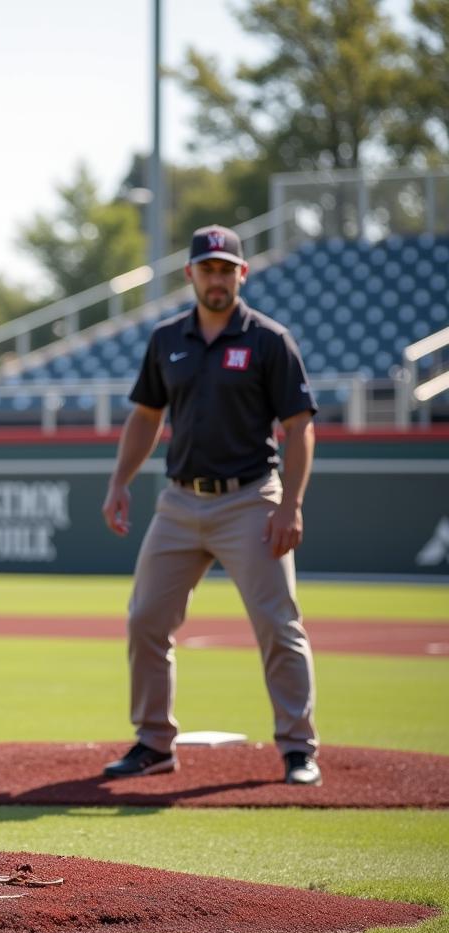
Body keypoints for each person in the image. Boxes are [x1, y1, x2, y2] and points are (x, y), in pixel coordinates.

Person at [101, 224, 321, 787]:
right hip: (179, 501)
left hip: (250, 498)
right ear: (191, 274)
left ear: (241, 274)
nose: (217, 277)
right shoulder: (167, 338)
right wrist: (120, 481)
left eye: (227, 269)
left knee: (277, 624)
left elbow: (298, 427)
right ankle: (153, 743)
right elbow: (147, 416)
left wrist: (289, 505)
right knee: (146, 619)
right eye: (208, 268)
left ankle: (298, 748)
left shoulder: (269, 340)